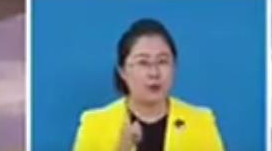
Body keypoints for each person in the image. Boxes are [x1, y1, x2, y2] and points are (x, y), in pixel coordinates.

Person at [72, 18, 225, 151]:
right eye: (143, 62)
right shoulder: (95, 125)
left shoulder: (200, 122)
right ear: (122, 71)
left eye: (162, 61)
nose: (154, 73)